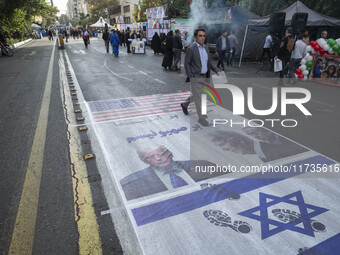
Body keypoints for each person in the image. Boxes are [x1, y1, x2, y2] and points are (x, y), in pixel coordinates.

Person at [119, 145, 218, 201]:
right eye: (150, 157)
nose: (159, 159)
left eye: (161, 154)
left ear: (170, 153)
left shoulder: (202, 164)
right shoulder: (132, 183)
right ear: (144, 161)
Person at [180, 28, 220, 127]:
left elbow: (209, 62)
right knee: (200, 98)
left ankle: (185, 104)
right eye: (200, 36)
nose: (203, 38)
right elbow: (187, 63)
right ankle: (201, 118)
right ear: (195, 37)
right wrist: (191, 76)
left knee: (197, 95)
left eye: (204, 36)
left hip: (204, 76)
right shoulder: (191, 49)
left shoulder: (206, 48)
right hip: (195, 77)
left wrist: (216, 70)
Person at [210, 129, 307, 163]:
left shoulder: (274, 151)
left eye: (222, 144)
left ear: (239, 139)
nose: (224, 149)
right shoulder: (265, 153)